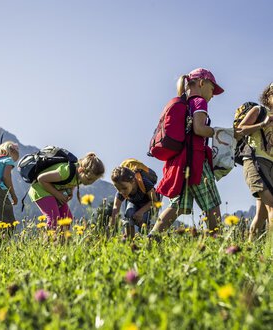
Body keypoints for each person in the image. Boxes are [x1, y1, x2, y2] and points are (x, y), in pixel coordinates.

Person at [148, 68, 224, 236]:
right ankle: (217, 242)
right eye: (212, 89)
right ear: (201, 83)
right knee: (212, 205)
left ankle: (152, 237)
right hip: (197, 160)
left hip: (181, 162)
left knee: (178, 206)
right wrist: (218, 132)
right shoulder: (199, 102)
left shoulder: (184, 103)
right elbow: (199, 129)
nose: (212, 95)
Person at [236, 82, 273, 240]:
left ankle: (249, 249)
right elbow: (239, 130)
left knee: (261, 214)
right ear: (268, 95)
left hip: (270, 165)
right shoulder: (259, 110)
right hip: (255, 160)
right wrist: (263, 123)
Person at [28, 152, 105, 229]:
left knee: (67, 219)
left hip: (53, 191)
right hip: (40, 189)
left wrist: (70, 191)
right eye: (89, 179)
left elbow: (72, 182)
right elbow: (41, 179)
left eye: (93, 181)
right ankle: (49, 240)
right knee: (54, 218)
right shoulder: (66, 171)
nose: (90, 182)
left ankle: (62, 240)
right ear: (81, 170)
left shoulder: (81, 177)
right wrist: (58, 195)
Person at [110, 166, 158, 238]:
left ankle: (148, 238)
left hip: (149, 204)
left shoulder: (145, 183)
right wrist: (111, 228)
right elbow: (116, 208)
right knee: (129, 213)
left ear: (133, 181)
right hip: (135, 203)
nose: (122, 192)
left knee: (144, 222)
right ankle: (129, 239)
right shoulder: (122, 190)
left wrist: (141, 212)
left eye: (124, 188)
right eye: (118, 189)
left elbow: (154, 201)